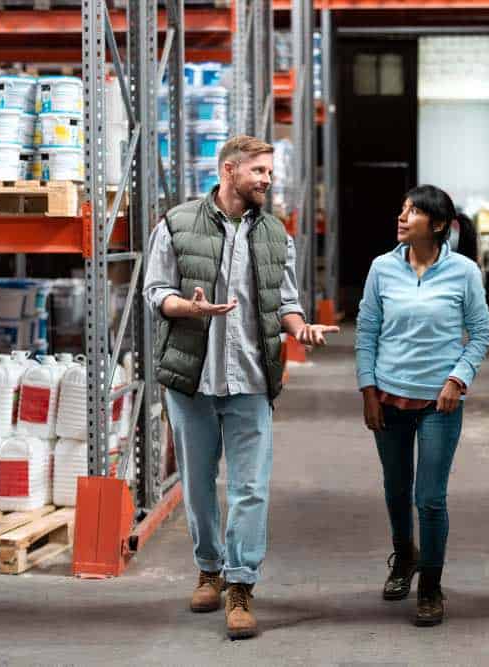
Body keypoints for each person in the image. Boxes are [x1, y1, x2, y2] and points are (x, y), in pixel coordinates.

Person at [143, 135, 338, 640]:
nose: (267, 181)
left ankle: (241, 585)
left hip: (252, 378)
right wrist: (187, 308)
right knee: (199, 485)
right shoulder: (175, 224)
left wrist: (302, 329)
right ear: (229, 170)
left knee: (251, 487)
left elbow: (286, 303)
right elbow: (154, 290)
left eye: (270, 173)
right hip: (192, 378)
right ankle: (208, 566)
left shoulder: (277, 234)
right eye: (259, 172)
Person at [355, 185, 489, 627]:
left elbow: (481, 333)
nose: (401, 217)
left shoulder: (464, 272)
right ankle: (404, 557)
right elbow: (367, 332)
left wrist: (458, 379)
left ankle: (430, 584)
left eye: (412, 212)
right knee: (396, 490)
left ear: (437, 225)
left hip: (440, 402)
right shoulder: (382, 268)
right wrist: (368, 389)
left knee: (429, 498)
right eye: (402, 208)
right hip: (389, 396)